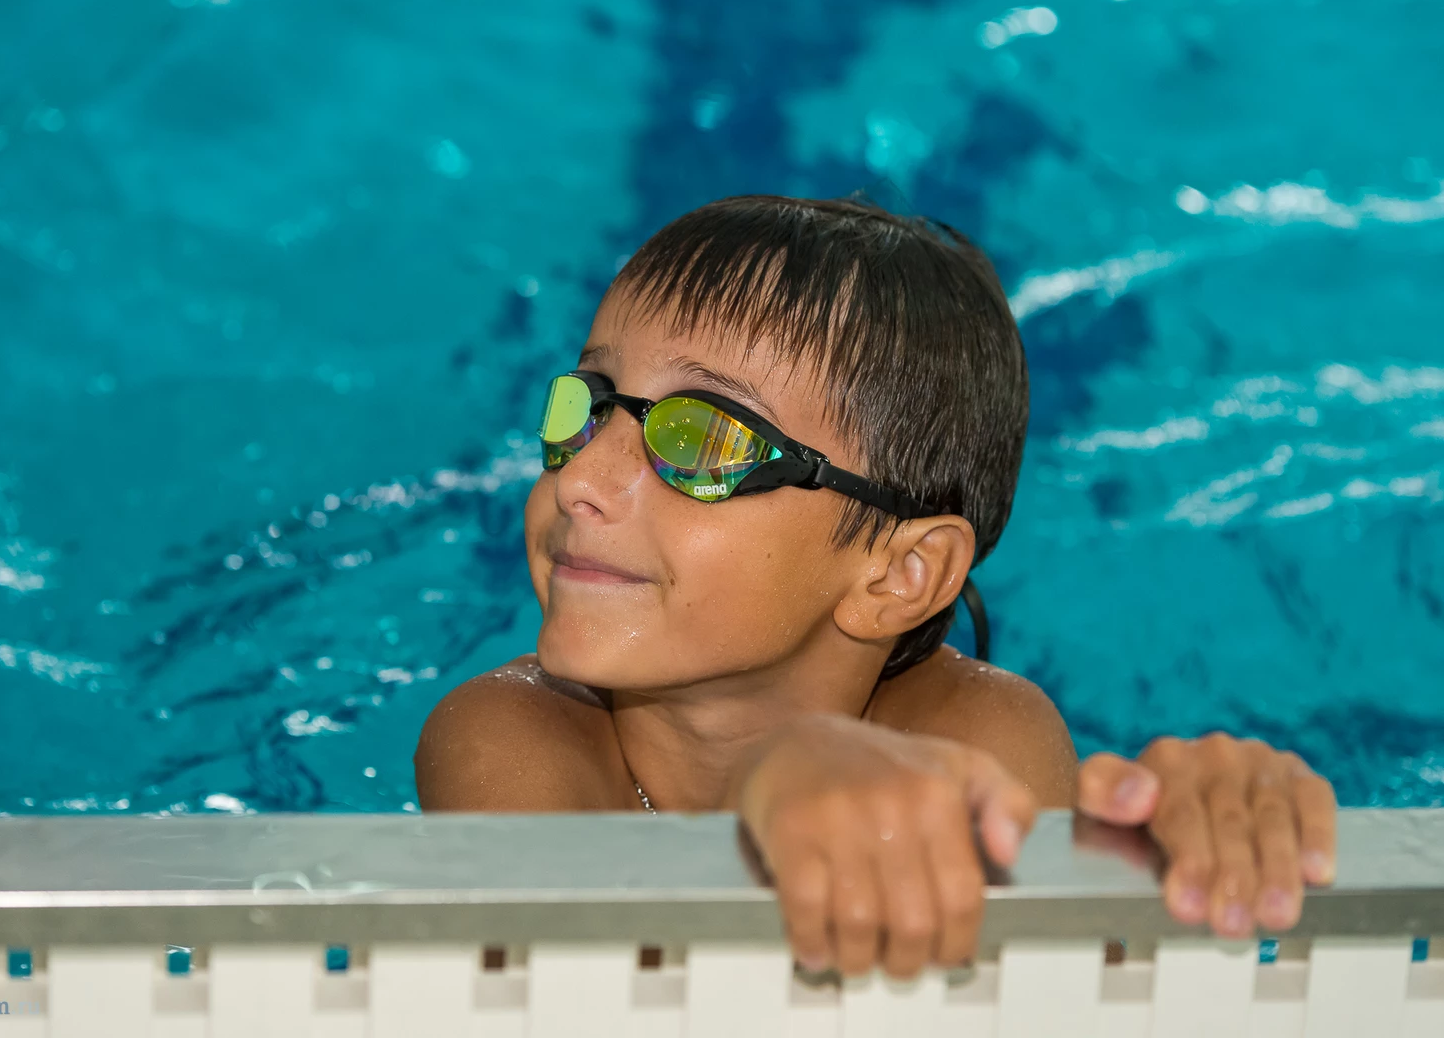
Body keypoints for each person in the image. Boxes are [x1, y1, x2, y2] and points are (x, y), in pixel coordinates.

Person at [415, 195, 1336, 978]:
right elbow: (583, 1001)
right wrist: (761, 807)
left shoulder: (982, 734)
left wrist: (1181, 852)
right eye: (587, 406)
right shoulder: (509, 734)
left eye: (702, 440)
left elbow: (1037, 1004)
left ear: (900, 573)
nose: (579, 479)